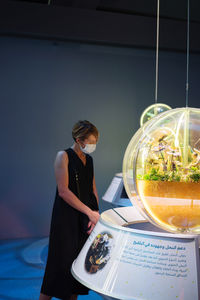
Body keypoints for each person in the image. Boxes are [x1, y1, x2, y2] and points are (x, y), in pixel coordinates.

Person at [39, 120, 100, 300]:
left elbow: (92, 189)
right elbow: (64, 191)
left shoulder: (89, 159)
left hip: (84, 220)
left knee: (76, 267)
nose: (93, 145)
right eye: (91, 141)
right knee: (58, 265)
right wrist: (89, 212)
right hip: (65, 219)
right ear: (79, 139)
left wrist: (95, 215)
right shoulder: (63, 156)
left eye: (96, 141)